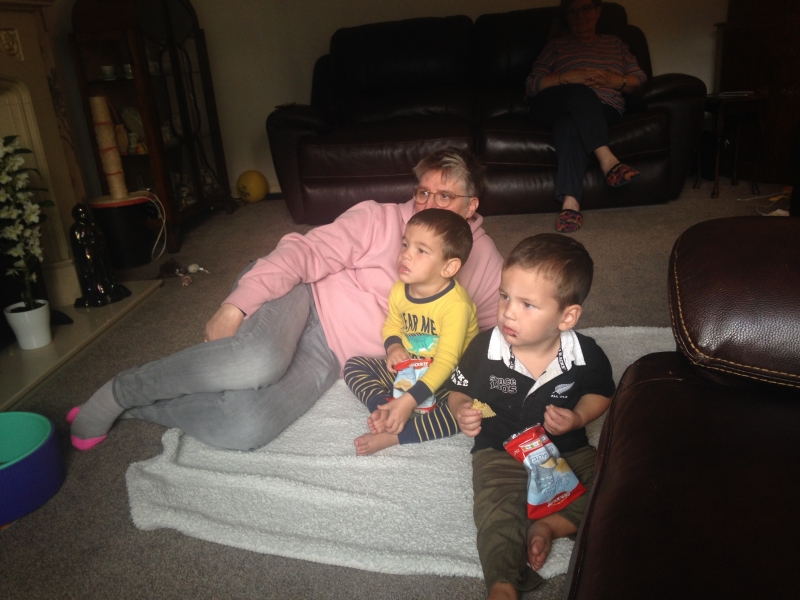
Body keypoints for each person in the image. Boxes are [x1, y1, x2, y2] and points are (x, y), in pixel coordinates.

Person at [68, 148, 503, 452]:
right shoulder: (381, 218)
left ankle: (136, 409)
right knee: (257, 361)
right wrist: (235, 306)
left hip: (334, 355)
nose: (427, 204)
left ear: (471, 206)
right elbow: (305, 251)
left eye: (445, 196)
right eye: (422, 192)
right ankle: (122, 388)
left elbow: (489, 336)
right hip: (304, 297)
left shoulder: (483, 261)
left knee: (245, 426)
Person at [447, 234, 616, 600]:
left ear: (567, 316)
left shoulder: (586, 355)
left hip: (566, 447)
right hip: (498, 449)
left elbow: (602, 394)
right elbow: (457, 390)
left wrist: (577, 417)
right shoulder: (484, 348)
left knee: (614, 486)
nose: (508, 312)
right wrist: (461, 409)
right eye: (504, 296)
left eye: (527, 304)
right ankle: (503, 584)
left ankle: (550, 526)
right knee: (496, 511)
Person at [344, 208, 479, 455]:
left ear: (448, 267)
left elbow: (447, 361)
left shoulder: (456, 305)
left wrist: (409, 400)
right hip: (409, 369)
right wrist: (394, 346)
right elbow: (392, 325)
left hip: (447, 378)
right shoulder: (400, 289)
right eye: (405, 244)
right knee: (353, 366)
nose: (406, 254)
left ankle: (396, 435)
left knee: (464, 413)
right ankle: (385, 409)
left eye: (421, 250)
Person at [526, 0, 647, 233]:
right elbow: (532, 84)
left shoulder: (616, 44)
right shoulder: (556, 46)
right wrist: (566, 78)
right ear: (566, 17)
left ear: (598, 11)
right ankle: (608, 162)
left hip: (603, 107)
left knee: (569, 125)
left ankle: (570, 203)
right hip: (556, 103)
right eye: (573, 11)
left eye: (586, 9)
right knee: (580, 93)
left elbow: (639, 79)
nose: (580, 16)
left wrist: (615, 80)